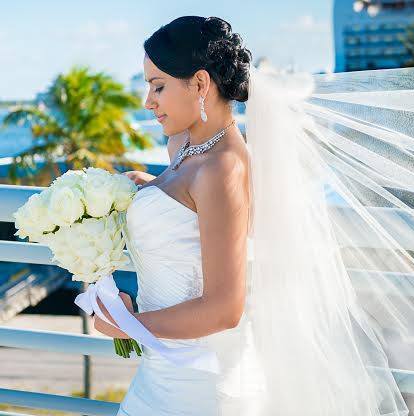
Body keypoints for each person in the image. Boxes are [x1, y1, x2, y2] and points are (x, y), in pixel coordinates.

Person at [92, 15, 414, 416]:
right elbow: (185, 208)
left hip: (201, 392)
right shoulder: (186, 149)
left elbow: (225, 309)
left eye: (158, 86)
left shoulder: (222, 168)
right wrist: (146, 186)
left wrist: (127, 323)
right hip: (160, 377)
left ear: (201, 84)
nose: (148, 101)